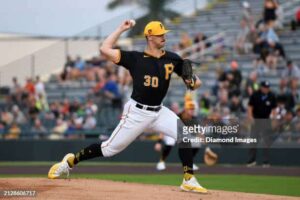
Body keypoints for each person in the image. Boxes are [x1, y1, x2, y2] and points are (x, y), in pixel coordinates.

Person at [48, 20, 207, 193]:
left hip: (159, 111)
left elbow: (195, 83)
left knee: (185, 136)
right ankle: (69, 162)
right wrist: (121, 29)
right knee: (109, 149)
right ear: (149, 37)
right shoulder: (135, 58)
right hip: (137, 112)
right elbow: (104, 49)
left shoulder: (172, 58)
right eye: (160, 34)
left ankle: (188, 179)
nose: (164, 37)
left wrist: (191, 77)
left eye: (164, 34)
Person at [155, 101, 200, 171]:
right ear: (185, 109)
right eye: (190, 109)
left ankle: (190, 163)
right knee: (170, 141)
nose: (192, 111)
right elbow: (165, 127)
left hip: (182, 135)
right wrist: (159, 141)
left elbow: (196, 132)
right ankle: (161, 161)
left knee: (196, 142)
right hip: (172, 133)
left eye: (192, 109)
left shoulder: (194, 118)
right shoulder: (179, 116)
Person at [247, 81, 277, 167]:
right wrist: (250, 117)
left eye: (267, 88)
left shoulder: (271, 96)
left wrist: (274, 120)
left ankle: (266, 161)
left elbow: (274, 109)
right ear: (261, 87)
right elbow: (250, 107)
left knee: (266, 142)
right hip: (256, 120)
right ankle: (251, 161)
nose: (266, 89)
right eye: (265, 87)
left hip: (266, 120)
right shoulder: (255, 95)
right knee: (253, 141)